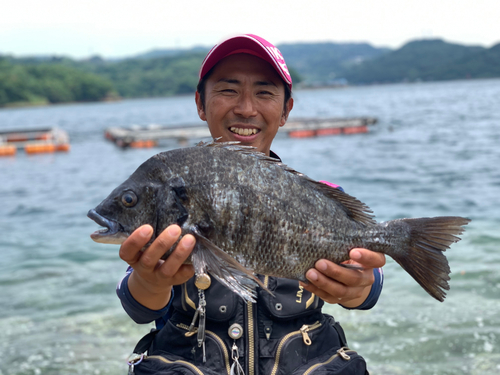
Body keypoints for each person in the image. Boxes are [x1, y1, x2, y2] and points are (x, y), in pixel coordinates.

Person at [117, 34, 386, 375]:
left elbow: (369, 285)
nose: (246, 107)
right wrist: (151, 281)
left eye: (264, 92)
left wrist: (357, 287)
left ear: (286, 109)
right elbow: (139, 308)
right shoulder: (174, 188)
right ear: (200, 103)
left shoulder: (322, 195)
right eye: (228, 90)